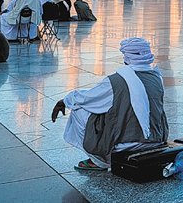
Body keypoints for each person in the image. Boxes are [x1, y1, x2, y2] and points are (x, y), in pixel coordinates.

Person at [52, 37, 168, 171]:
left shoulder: (115, 81)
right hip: (157, 140)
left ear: (126, 57)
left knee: (79, 108)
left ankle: (99, 160)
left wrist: (64, 101)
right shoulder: (157, 76)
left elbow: (88, 98)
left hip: (126, 145)